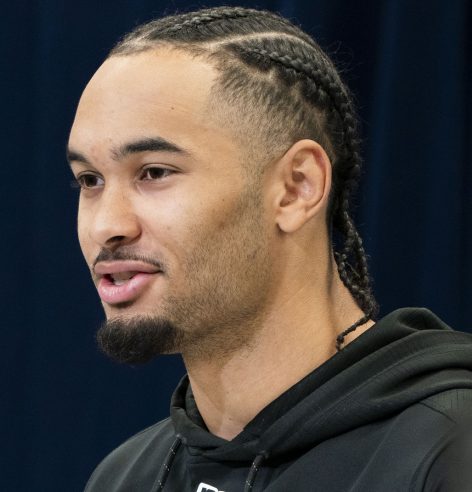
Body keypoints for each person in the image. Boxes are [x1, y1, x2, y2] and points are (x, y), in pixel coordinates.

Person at [67, 6, 472, 491]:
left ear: (297, 187)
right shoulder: (125, 478)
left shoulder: (448, 447)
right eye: (89, 180)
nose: (107, 225)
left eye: (154, 172)